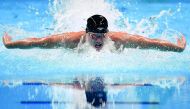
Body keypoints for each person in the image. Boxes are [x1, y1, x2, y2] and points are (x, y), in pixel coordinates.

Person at [2, 15, 186, 52]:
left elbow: (152, 43)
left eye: (102, 35)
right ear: (86, 33)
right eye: (94, 36)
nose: (98, 40)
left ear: (108, 33)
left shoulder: (119, 40)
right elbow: (38, 41)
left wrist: (177, 48)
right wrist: (11, 44)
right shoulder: (72, 40)